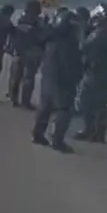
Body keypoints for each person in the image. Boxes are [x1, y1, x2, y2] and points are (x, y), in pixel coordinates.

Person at [32, 9, 83, 152]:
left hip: (48, 76)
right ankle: (57, 140)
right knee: (64, 110)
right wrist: (76, 76)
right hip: (62, 80)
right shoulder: (68, 43)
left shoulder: (51, 38)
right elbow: (70, 65)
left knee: (45, 107)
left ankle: (38, 134)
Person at [73, 3, 107, 143]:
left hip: (96, 73)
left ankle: (89, 130)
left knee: (86, 102)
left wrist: (83, 29)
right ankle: (98, 133)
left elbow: (83, 46)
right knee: (100, 104)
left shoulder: (101, 32)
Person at [8, 0, 46, 109]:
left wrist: (11, 48)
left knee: (15, 77)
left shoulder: (18, 19)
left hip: (18, 51)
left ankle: (13, 99)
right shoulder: (40, 22)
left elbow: (12, 34)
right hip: (32, 52)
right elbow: (42, 37)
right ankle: (25, 102)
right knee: (28, 78)